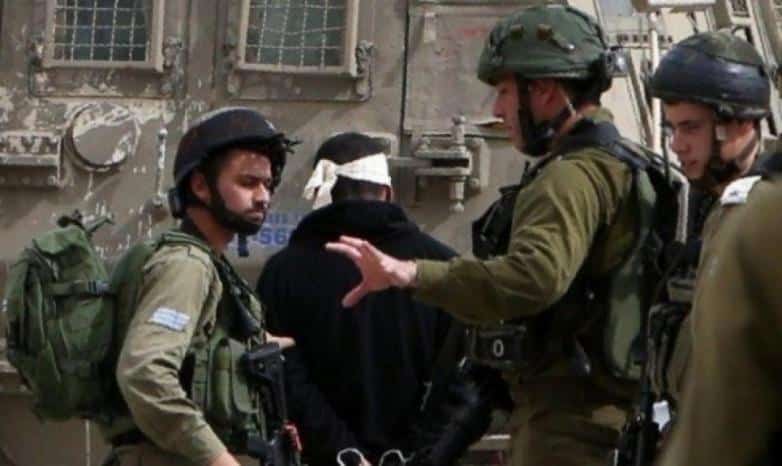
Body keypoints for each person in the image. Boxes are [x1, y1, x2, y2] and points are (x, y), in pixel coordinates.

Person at [326, 5, 673, 466]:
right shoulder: (628, 165)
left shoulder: (570, 177)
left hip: (567, 428)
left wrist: (410, 274)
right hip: (608, 415)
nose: (497, 110)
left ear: (545, 91)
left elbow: (534, 277)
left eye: (506, 92)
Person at [257, 132, 493, 466]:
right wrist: (419, 455)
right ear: (387, 192)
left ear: (322, 194)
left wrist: (343, 454)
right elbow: (466, 381)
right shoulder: (440, 267)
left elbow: (282, 375)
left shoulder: (282, 273)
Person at [102, 107, 296, 466]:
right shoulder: (186, 266)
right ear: (201, 186)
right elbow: (145, 373)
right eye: (248, 183)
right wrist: (218, 459)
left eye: (267, 185)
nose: (263, 197)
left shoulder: (209, 263)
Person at [644, 30, 773, 419]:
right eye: (672, 129)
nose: (676, 145)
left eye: (691, 127)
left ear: (740, 125)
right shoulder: (711, 206)